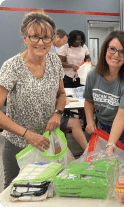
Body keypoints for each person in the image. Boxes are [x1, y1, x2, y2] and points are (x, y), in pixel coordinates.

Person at [0, 12, 66, 188]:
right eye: (35, 36)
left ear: (52, 39)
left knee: (47, 189)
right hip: (18, 145)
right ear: (25, 38)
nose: (41, 42)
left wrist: (57, 114)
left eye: (46, 37)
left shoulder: (54, 62)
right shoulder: (12, 67)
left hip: (47, 142)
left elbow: (61, 94)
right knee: (14, 191)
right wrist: (27, 135)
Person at [83, 30, 124, 161]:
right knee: (102, 171)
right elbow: (88, 100)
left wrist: (110, 145)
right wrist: (90, 120)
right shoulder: (93, 75)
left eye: (122, 52)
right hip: (101, 127)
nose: (116, 55)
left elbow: (121, 117)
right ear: (105, 49)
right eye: (112, 49)